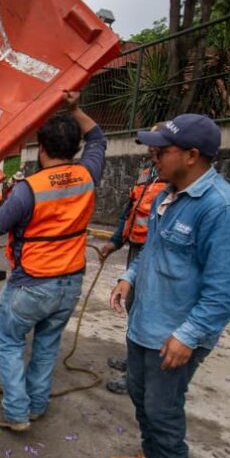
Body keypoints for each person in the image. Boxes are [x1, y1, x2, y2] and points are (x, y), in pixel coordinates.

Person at [107, 114, 230, 458]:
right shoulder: (165, 197)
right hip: (146, 323)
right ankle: (152, 454)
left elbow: (224, 290)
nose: (153, 155)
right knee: (141, 396)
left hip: (175, 332)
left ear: (192, 155)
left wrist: (188, 335)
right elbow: (151, 250)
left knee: (163, 404)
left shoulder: (223, 210)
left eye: (162, 149)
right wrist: (130, 277)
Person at [0, 90, 106, 432]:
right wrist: (75, 109)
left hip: (31, 282)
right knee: (47, 345)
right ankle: (36, 405)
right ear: (75, 150)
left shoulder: (29, 188)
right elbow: (98, 138)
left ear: (41, 149)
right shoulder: (88, 175)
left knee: (10, 342)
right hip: (70, 283)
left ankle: (16, 413)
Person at [98, 126, 167, 394]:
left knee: (145, 311)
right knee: (133, 307)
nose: (150, 150)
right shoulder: (146, 174)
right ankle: (133, 363)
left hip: (155, 255)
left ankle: (139, 376)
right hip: (137, 250)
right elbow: (129, 212)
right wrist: (115, 242)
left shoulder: (175, 183)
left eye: (155, 145)